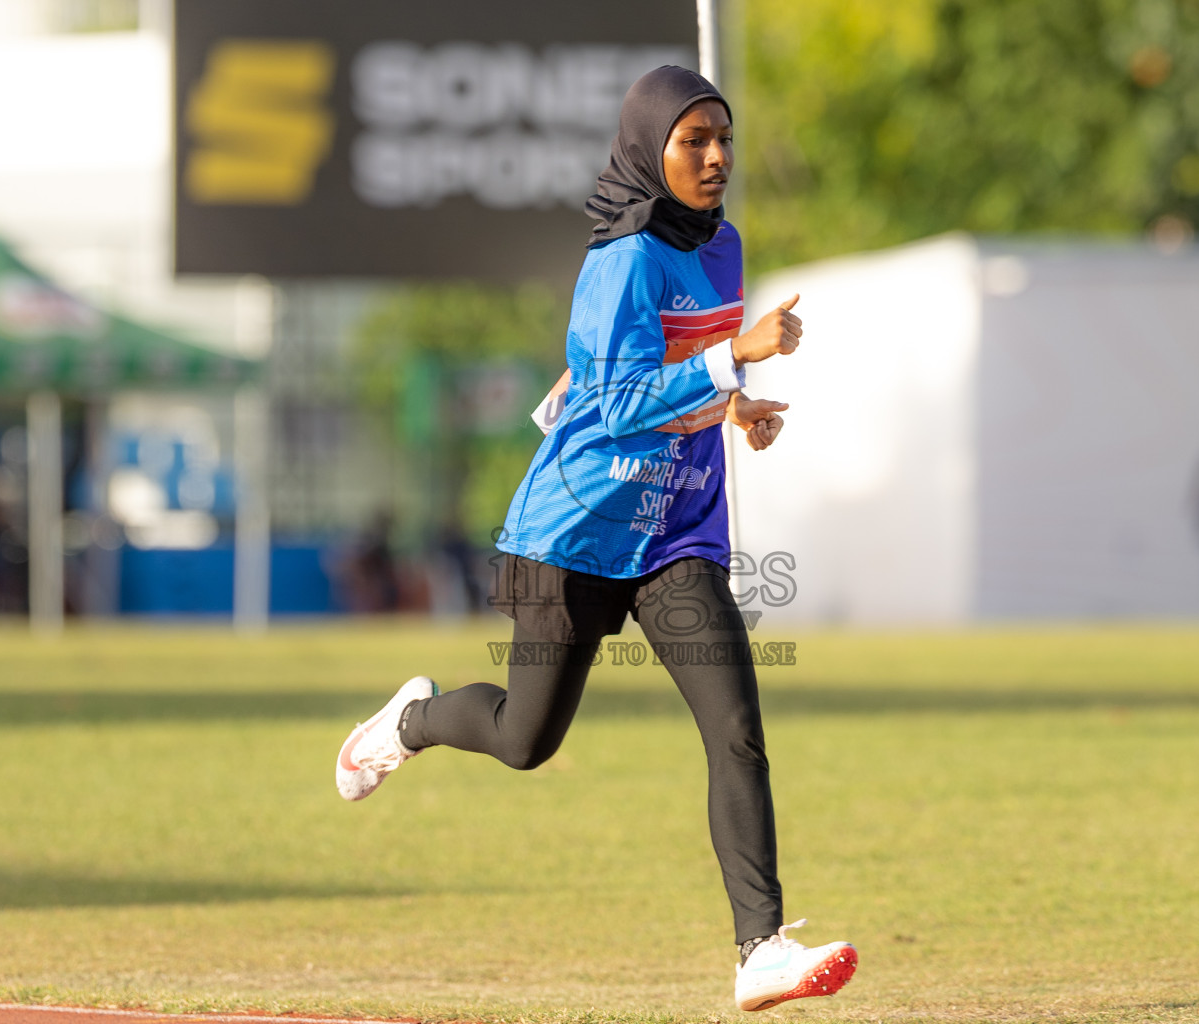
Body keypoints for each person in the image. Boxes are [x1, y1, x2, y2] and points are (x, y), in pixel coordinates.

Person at [335, 66, 857, 1013]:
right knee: (524, 739)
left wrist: (732, 407)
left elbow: (673, 381)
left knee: (736, 729)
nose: (715, 157)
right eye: (693, 140)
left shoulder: (725, 245)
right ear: (647, 149)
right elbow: (614, 405)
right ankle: (410, 723)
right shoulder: (620, 260)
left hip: (675, 535)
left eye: (723, 139)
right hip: (574, 532)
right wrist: (729, 356)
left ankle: (761, 948)